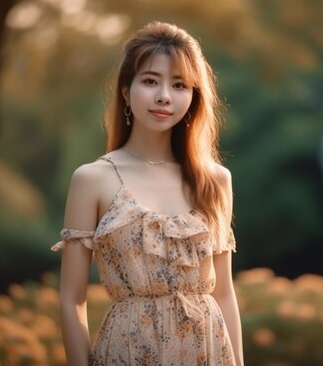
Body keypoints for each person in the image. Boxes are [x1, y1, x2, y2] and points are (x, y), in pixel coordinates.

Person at [52, 21, 244, 366]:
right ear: (126, 90)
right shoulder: (93, 179)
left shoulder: (215, 180)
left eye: (179, 84)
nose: (164, 96)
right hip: (127, 352)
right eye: (151, 81)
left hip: (207, 353)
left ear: (194, 95)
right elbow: (71, 300)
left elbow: (224, 293)